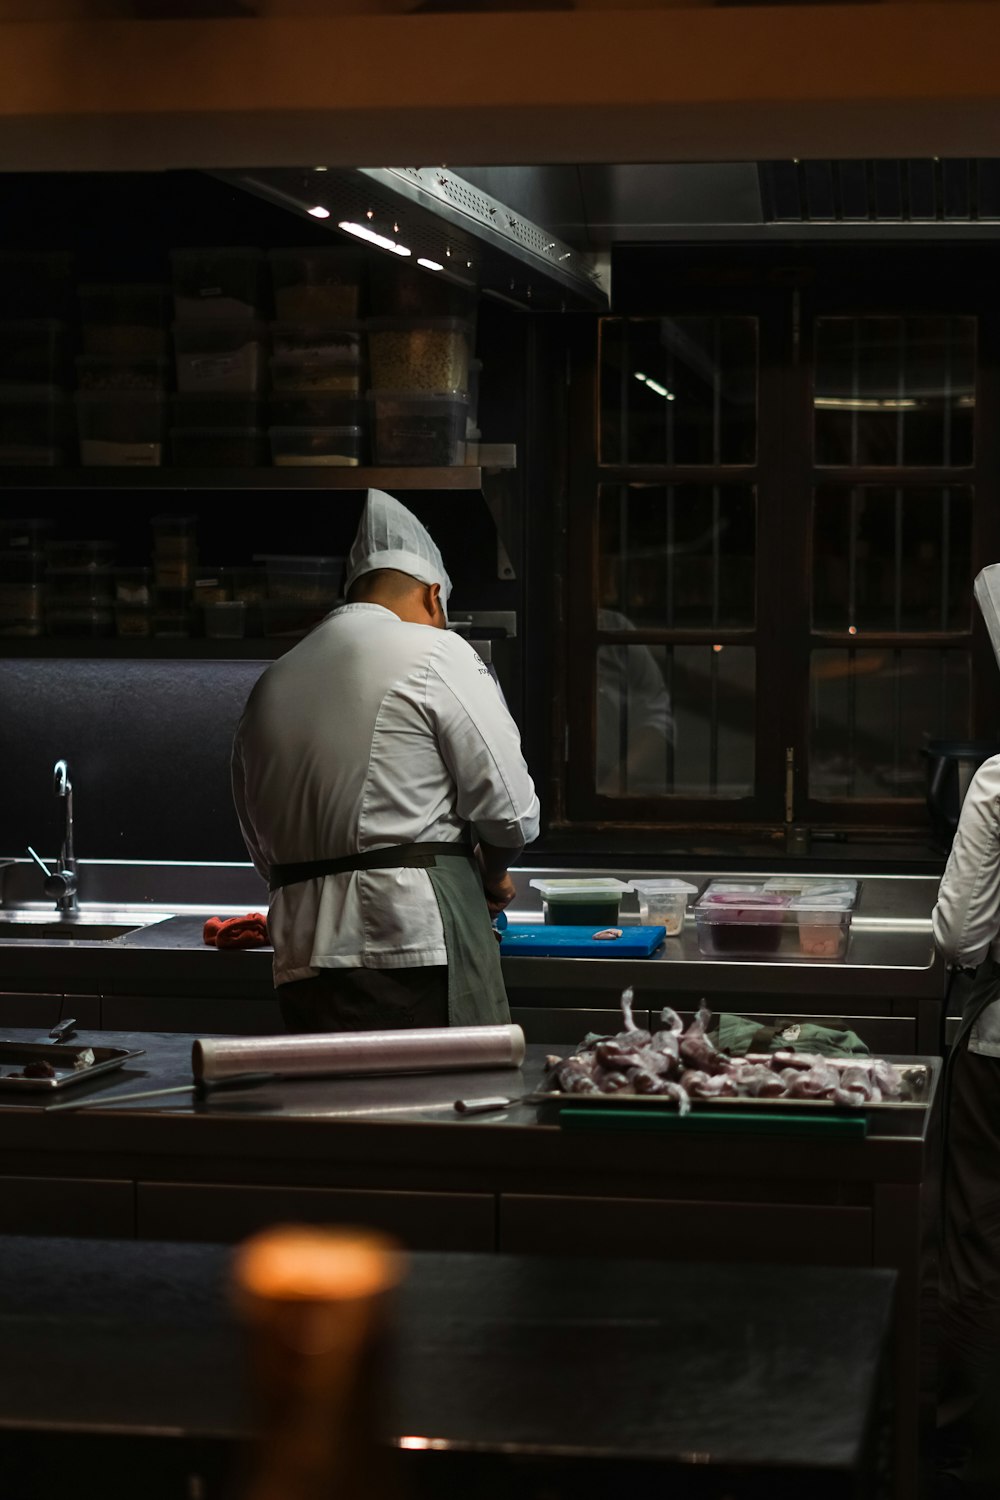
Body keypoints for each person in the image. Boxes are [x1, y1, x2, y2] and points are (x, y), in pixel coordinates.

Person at [231, 489, 540, 1034]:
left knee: (340, 1115)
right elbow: (511, 811)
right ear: (433, 595)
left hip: (303, 961)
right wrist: (494, 874)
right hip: (411, 946)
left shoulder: (272, 680)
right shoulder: (433, 650)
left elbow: (260, 845)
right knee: (436, 1111)